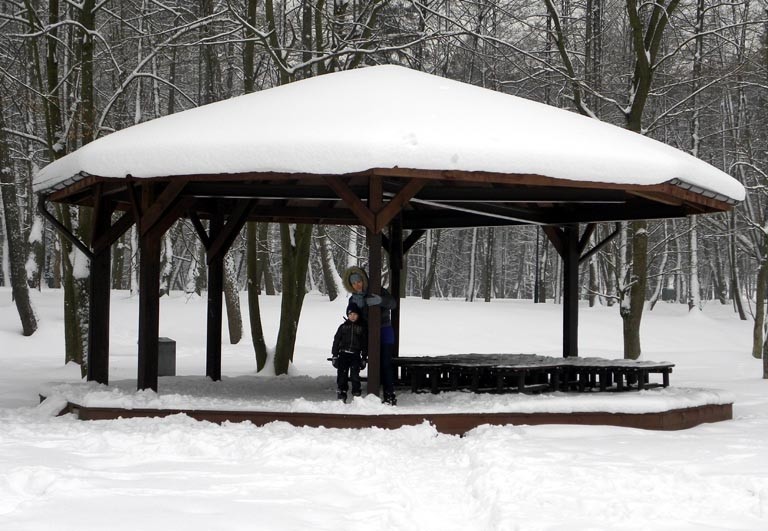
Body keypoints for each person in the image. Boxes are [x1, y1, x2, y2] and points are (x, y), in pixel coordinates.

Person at [342, 266, 398, 405]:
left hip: (385, 331)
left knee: (385, 363)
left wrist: (380, 300)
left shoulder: (376, 290)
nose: (357, 285)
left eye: (359, 281)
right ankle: (369, 390)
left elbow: (392, 303)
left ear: (363, 280)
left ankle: (389, 395)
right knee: (370, 363)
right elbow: (352, 318)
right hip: (366, 335)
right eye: (353, 283)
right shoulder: (353, 299)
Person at [330, 303, 368, 403]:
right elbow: (336, 341)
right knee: (342, 374)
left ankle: (356, 392)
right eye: (350, 314)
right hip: (343, 354)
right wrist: (335, 355)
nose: (352, 316)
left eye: (355, 314)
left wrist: (364, 357)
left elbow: (364, 344)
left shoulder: (361, 328)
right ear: (347, 315)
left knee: (355, 375)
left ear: (358, 316)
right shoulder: (342, 327)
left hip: (355, 354)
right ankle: (342, 392)